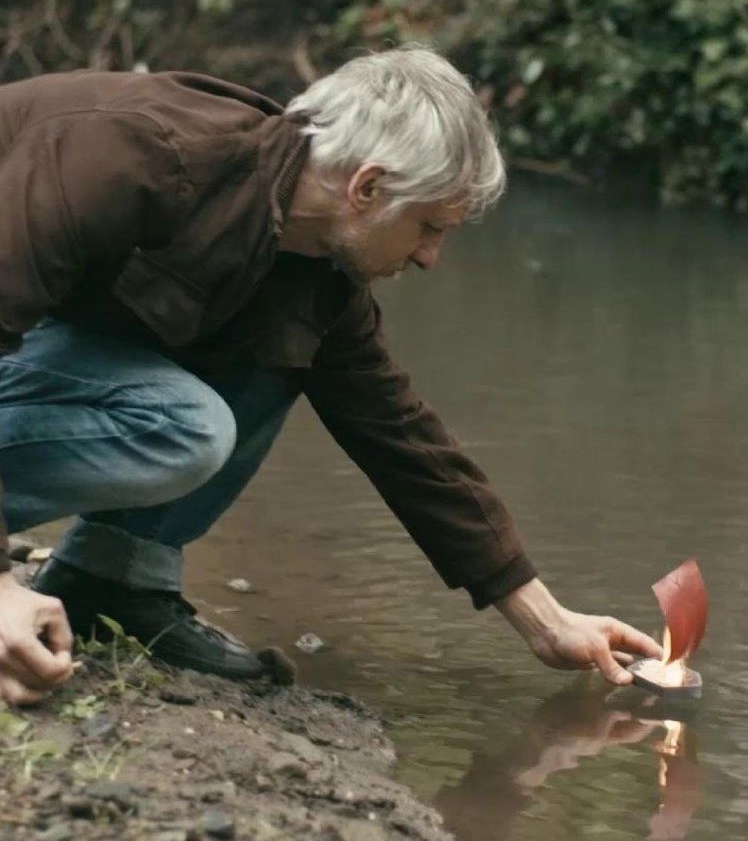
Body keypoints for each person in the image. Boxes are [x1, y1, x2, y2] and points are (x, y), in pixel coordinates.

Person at [0, 45, 661, 706]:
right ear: (367, 188)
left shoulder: (317, 270)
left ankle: (111, 579)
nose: (431, 257)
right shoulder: (135, 153)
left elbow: (397, 434)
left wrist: (547, 622)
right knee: (185, 427)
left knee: (273, 357)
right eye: (429, 227)